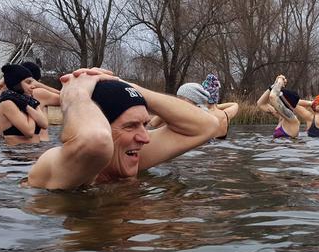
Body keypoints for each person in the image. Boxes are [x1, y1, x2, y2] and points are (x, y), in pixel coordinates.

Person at [27, 68, 219, 190]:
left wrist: (128, 86)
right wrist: (74, 93)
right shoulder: (56, 163)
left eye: (144, 124)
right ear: (101, 125)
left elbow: (207, 126)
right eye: (130, 126)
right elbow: (96, 141)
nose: (145, 138)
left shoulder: (129, 154)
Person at [0, 64, 48, 146]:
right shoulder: (7, 103)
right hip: (16, 155)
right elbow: (29, 132)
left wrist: (27, 106)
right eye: (28, 82)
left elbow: (44, 124)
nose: (33, 86)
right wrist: (27, 107)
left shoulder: (30, 101)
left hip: (34, 151)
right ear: (17, 84)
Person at [201, 74, 239, 140]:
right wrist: (215, 106)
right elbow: (235, 105)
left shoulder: (201, 114)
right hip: (223, 148)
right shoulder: (226, 114)